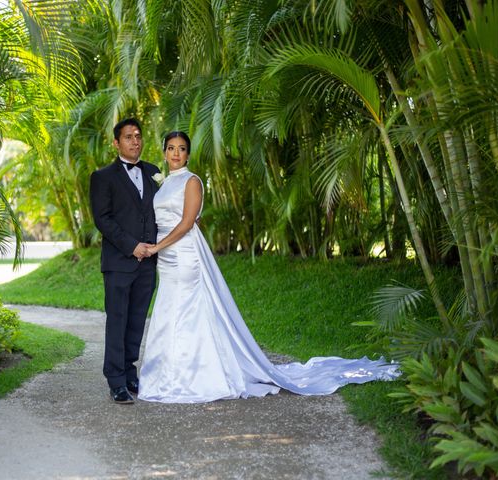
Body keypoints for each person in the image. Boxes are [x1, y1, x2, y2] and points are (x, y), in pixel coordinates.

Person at [138, 131, 399, 403]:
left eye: (181, 149)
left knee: (185, 309)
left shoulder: (192, 181)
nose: (176, 153)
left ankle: (192, 375)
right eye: (171, 148)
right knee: (169, 307)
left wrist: (156, 247)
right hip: (167, 259)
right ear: (165, 152)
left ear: (188, 154)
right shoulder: (165, 183)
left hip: (183, 256)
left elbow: (188, 222)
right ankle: (169, 371)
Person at [90, 118, 160, 404]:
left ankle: (130, 372)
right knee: (117, 320)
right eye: (129, 137)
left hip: (149, 264)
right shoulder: (103, 177)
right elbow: (102, 220)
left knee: (136, 320)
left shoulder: (154, 173)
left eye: (138, 136)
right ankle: (116, 380)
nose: (135, 141)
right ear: (116, 143)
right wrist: (133, 247)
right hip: (120, 262)